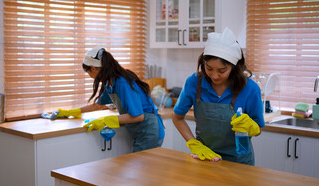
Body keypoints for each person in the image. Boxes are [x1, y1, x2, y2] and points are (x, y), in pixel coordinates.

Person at [172, 28, 265, 165]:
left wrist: (253, 127)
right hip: (206, 158)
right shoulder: (194, 82)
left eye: (222, 71)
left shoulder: (250, 89)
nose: (214, 76)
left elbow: (258, 128)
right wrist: (194, 144)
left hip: (239, 163)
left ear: (234, 67)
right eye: (209, 68)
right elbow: (177, 118)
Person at [57, 46, 165, 152]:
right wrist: (74, 111)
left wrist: (106, 120)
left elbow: (138, 116)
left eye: (88, 72)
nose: (89, 75)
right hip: (141, 131)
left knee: (142, 169)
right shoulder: (110, 82)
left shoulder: (122, 82)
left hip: (150, 131)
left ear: (93, 68)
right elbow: (99, 105)